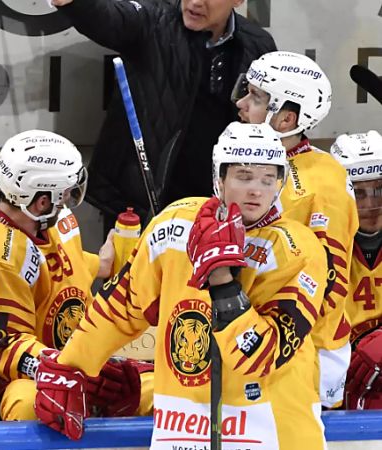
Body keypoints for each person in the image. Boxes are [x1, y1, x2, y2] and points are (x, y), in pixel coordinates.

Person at [35, 122, 327, 449]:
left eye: (267, 178)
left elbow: (261, 359)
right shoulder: (174, 226)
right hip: (184, 427)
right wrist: (70, 366)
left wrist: (223, 284)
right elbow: (120, 307)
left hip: (272, 431)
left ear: (280, 183)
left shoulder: (297, 250)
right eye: (244, 177)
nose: (256, 190)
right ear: (219, 178)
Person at [0, 130, 153, 422]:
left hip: (75, 359)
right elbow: (4, 346)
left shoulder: (44, 218)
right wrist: (65, 370)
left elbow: (61, 266)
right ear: (42, 201)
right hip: (16, 380)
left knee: (163, 390)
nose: (71, 198)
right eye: (67, 191)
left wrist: (103, 264)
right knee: (30, 405)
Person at [50, 0, 276, 223]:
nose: (195, 3)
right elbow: (109, 16)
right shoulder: (153, 20)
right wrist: (74, 3)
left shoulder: (258, 45)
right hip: (139, 205)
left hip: (216, 208)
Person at [235, 50, 357, 407]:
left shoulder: (324, 179)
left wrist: (286, 342)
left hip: (305, 347)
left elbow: (330, 280)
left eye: (256, 97)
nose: (242, 103)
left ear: (286, 120)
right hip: (254, 335)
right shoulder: (248, 162)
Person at [330, 130, 382, 410]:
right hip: (337, 381)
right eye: (359, 193)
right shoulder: (319, 245)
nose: (371, 204)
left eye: (380, 190)